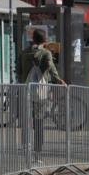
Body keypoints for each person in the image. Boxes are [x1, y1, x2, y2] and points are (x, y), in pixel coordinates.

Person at [20, 29, 65, 164]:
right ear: (45, 40)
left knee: (26, 121)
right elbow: (51, 68)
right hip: (40, 92)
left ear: (32, 39)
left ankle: (25, 151)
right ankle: (37, 153)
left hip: (25, 89)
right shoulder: (46, 53)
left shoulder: (24, 52)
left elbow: (19, 70)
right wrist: (59, 80)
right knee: (38, 122)